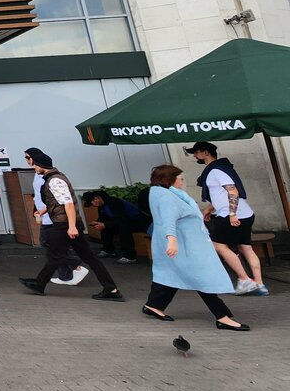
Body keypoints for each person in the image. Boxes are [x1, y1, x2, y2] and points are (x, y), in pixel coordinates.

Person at [142, 164, 248, 331]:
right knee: (202, 278)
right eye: (180, 178)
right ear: (169, 179)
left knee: (171, 273)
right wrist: (172, 240)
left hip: (184, 244)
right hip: (185, 246)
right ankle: (222, 317)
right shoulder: (167, 197)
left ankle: (154, 305)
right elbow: (169, 220)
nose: (182, 181)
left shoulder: (161, 194)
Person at [17, 148, 124, 301]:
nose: (33, 167)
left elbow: (68, 204)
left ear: (40, 163)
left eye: (33, 163)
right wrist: (44, 210)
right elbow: (59, 202)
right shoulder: (55, 177)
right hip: (67, 223)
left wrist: (72, 226)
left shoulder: (54, 180)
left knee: (55, 255)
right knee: (86, 257)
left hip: (64, 225)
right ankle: (111, 289)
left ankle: (39, 284)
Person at [188, 141, 267, 296]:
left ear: (206, 152)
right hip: (245, 213)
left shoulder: (216, 170)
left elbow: (233, 191)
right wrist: (208, 209)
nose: (195, 156)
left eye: (196, 152)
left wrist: (232, 214)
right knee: (245, 247)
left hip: (230, 215)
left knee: (219, 246)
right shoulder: (221, 168)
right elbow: (221, 195)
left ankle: (245, 280)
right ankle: (259, 284)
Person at [24, 150, 86, 286]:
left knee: (51, 245)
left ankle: (75, 267)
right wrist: (40, 210)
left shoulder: (50, 177)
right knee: (55, 247)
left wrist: (71, 225)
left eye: (28, 157)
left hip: (55, 218)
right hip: (50, 215)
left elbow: (65, 202)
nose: (28, 161)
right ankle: (65, 276)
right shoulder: (39, 174)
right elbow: (40, 195)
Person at [82, 189, 149, 263]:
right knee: (106, 226)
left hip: (137, 221)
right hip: (124, 221)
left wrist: (105, 224)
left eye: (92, 203)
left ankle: (130, 256)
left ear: (96, 198)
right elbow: (104, 217)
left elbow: (121, 218)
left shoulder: (114, 202)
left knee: (123, 227)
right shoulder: (101, 205)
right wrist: (98, 222)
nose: (93, 206)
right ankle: (108, 250)